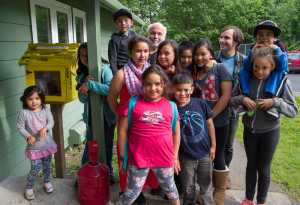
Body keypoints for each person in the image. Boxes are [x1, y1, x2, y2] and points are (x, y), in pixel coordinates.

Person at [230, 47, 297, 205]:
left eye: (265, 68)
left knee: (264, 167)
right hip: (249, 130)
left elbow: (293, 110)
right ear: (252, 65)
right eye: (256, 67)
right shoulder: (246, 79)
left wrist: (275, 102)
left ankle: (261, 201)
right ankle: (248, 199)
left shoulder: (281, 81)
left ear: (273, 66)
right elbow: (231, 101)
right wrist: (242, 99)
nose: (260, 71)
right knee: (251, 165)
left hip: (270, 132)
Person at [118, 65, 181, 205]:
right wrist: (123, 154)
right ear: (142, 84)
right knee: (131, 193)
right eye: (148, 84)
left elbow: (176, 132)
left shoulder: (171, 106)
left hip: (164, 159)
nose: (153, 88)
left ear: (164, 84)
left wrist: (175, 156)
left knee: (171, 191)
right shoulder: (132, 103)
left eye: (157, 84)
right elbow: (122, 130)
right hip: (138, 159)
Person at [108, 36, 158, 204]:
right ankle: (125, 190)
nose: (142, 55)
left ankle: (140, 190)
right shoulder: (122, 74)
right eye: (138, 51)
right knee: (127, 158)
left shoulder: (152, 73)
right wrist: (121, 114)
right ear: (130, 52)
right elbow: (111, 97)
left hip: (146, 125)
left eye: (145, 51)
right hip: (127, 126)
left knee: (143, 158)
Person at [190, 39, 232, 205]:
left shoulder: (220, 68)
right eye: (197, 54)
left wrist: (210, 116)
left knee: (218, 157)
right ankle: (202, 193)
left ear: (211, 54)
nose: (199, 57)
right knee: (201, 158)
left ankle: (219, 195)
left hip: (219, 121)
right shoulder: (194, 72)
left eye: (203, 54)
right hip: (198, 125)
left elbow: (226, 96)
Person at [172, 72, 216, 205]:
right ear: (174, 90)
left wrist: (213, 145)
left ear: (191, 89)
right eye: (179, 90)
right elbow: (172, 135)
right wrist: (176, 157)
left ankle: (207, 202)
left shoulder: (200, 104)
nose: (183, 93)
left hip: (204, 154)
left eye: (186, 90)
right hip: (186, 157)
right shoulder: (172, 108)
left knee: (206, 185)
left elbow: (210, 124)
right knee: (188, 187)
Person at [76, 43, 116, 183]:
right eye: (83, 55)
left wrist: (91, 85)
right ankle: (85, 174)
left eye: (89, 55)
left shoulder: (105, 69)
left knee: (106, 146)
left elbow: (110, 89)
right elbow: (82, 99)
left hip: (107, 116)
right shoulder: (82, 75)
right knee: (90, 146)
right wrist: (84, 86)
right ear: (79, 57)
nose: (86, 58)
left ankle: (108, 172)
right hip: (91, 117)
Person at [216, 25, 245, 188]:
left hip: (232, 110)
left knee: (228, 144)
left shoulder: (244, 61)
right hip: (212, 106)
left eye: (226, 38)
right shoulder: (213, 57)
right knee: (211, 142)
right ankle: (211, 172)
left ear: (236, 41)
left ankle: (224, 174)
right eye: (221, 37)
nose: (222, 40)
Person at [16, 86, 57, 200]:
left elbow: (51, 121)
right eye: (30, 99)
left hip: (47, 145)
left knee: (47, 165)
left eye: (37, 98)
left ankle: (47, 181)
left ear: (42, 99)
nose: (34, 101)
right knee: (35, 168)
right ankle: (29, 187)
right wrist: (28, 136)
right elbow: (20, 127)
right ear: (25, 100)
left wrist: (46, 128)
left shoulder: (45, 110)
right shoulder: (24, 113)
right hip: (34, 147)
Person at [239, 20, 288, 97]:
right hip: (256, 72)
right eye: (261, 35)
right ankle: (245, 91)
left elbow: (283, 67)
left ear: (274, 38)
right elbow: (247, 66)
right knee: (242, 71)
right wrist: (252, 52)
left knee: (279, 72)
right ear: (256, 37)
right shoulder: (254, 47)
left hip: (273, 74)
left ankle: (270, 91)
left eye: (268, 35)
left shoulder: (279, 48)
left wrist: (277, 50)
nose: (264, 38)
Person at [108, 9, 137, 74]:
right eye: (119, 21)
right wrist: (116, 75)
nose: (123, 23)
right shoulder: (114, 40)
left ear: (131, 23)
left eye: (126, 20)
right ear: (116, 24)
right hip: (122, 69)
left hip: (135, 67)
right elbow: (113, 60)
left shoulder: (135, 35)